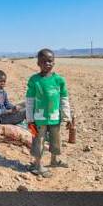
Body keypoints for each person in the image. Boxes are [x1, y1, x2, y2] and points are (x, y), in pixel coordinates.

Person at [25, 48, 72, 177]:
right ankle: (38, 165)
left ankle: (54, 160)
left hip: (55, 117)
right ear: (38, 63)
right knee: (38, 140)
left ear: (54, 62)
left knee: (56, 140)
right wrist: (29, 119)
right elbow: (29, 101)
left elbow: (64, 99)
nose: (47, 64)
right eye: (44, 61)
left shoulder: (59, 80)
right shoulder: (34, 80)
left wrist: (68, 117)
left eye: (50, 61)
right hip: (39, 119)